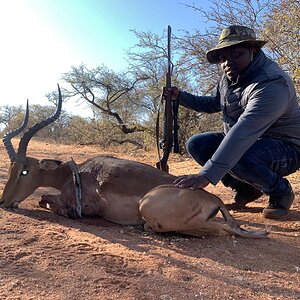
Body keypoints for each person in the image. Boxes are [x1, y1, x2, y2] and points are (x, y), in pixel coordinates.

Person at [165, 25, 300, 219]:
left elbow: (244, 131)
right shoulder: (229, 77)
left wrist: (206, 175)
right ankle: (246, 188)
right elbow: (215, 103)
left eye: (236, 54)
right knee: (197, 144)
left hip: (287, 148)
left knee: (238, 154)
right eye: (223, 58)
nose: (228, 62)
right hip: (250, 141)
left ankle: (281, 192)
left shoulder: (272, 83)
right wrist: (180, 97)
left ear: (254, 50)